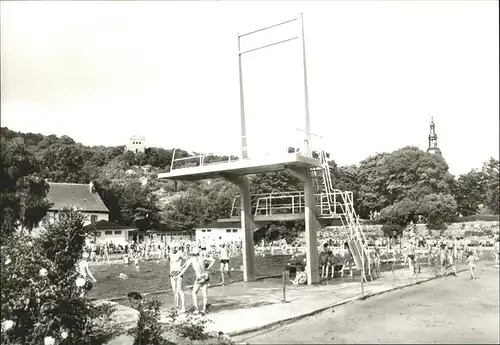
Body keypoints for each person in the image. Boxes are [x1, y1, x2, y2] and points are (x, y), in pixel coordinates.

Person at [175, 246, 215, 314]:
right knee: (204, 293)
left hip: (200, 277)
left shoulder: (192, 259)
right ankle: (204, 309)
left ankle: (196, 309)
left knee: (194, 292)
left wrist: (178, 275)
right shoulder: (202, 258)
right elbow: (213, 260)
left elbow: (184, 269)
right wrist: (208, 267)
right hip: (206, 276)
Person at [168, 245, 186, 313]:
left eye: (174, 248)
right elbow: (170, 264)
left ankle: (183, 307)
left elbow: (188, 260)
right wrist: (170, 273)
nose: (173, 249)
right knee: (174, 291)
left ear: (176, 248)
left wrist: (182, 268)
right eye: (171, 248)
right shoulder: (170, 254)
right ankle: (176, 306)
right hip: (172, 273)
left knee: (179, 290)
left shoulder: (180, 254)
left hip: (178, 273)